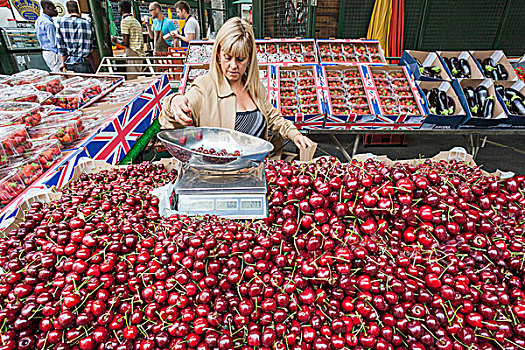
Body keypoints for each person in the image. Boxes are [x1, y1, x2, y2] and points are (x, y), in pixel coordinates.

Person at [159, 17, 313, 150]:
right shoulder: (203, 87)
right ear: (218, 53)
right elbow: (172, 116)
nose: (233, 65)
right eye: (227, 57)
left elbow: (272, 117)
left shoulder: (254, 86)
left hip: (256, 174)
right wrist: (174, 101)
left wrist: (294, 134)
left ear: (250, 58)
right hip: (220, 178)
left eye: (240, 59)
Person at [56, 0, 94, 73]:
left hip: (69, 61)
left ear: (68, 11)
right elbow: (92, 43)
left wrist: (63, 63)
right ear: (78, 9)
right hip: (84, 60)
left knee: (73, 83)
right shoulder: (86, 23)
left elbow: (60, 46)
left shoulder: (60, 23)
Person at [112, 0, 144, 79]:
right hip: (139, 53)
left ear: (121, 9)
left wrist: (115, 41)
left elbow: (125, 43)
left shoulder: (125, 21)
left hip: (132, 53)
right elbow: (131, 38)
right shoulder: (135, 21)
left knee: (132, 80)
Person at [35, 0, 60, 72]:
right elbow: (54, 43)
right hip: (53, 53)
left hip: (46, 52)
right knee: (59, 74)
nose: (56, 11)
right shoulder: (49, 24)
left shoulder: (39, 20)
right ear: (48, 8)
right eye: (54, 8)